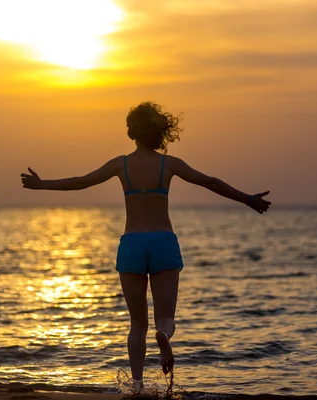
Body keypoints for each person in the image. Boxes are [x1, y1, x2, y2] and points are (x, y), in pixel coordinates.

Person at [21, 101, 271, 388]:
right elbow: (210, 182)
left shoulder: (121, 164)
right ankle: (164, 334)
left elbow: (81, 182)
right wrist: (248, 200)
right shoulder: (169, 164)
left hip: (132, 245)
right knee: (165, 316)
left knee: (137, 324)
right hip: (163, 242)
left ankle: (137, 384)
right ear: (159, 132)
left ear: (132, 132)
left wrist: (42, 185)